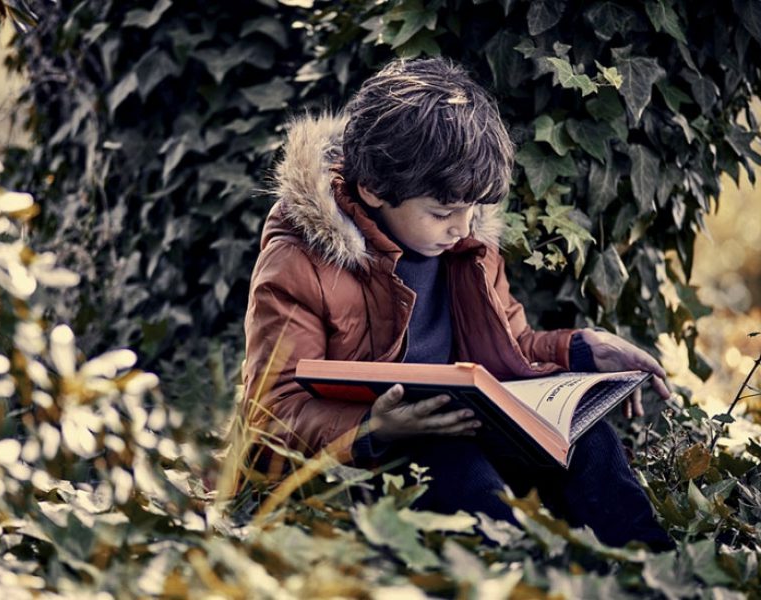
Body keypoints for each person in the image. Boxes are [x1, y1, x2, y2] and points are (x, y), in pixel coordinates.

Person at [242, 57, 673, 550]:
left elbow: (510, 346)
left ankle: (653, 564)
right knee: (451, 464)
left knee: (589, 440)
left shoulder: (466, 246)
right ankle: (530, 571)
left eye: (472, 210)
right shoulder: (301, 260)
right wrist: (374, 428)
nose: (463, 227)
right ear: (374, 190)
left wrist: (582, 351)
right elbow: (270, 415)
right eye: (443, 211)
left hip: (473, 430)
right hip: (369, 462)